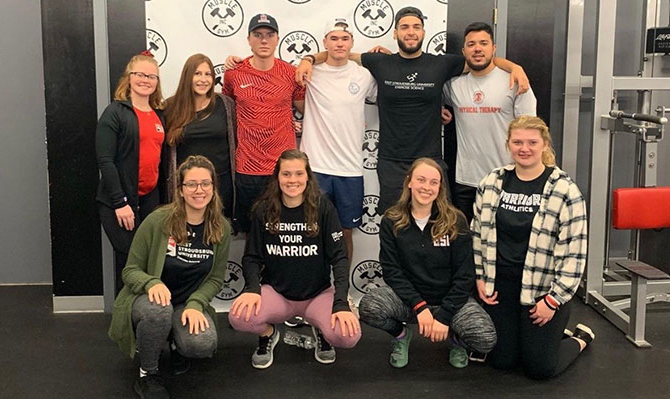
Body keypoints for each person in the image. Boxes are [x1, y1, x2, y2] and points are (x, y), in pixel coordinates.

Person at [295, 6, 530, 213]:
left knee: (437, 227)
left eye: (416, 27)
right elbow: (341, 53)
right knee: (393, 227)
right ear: (395, 33)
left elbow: (480, 59)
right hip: (391, 162)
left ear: (423, 33)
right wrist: (308, 59)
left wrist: (514, 67)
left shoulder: (442, 64)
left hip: (431, 159)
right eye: (405, 27)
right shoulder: (380, 62)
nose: (411, 31)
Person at [472, 115, 593, 380]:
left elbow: (576, 252)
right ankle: (541, 337)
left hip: (542, 291)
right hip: (501, 286)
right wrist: (481, 277)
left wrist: (553, 300)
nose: (524, 148)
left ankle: (580, 338)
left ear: (544, 144)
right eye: (517, 142)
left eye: (531, 142)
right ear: (508, 144)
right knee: (502, 361)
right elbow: (477, 234)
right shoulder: (492, 182)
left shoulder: (565, 190)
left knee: (539, 369)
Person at [108, 155, 231, 399]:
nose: (199, 190)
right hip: (147, 301)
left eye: (206, 183)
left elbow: (216, 279)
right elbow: (130, 270)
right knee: (158, 312)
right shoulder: (158, 221)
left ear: (214, 188)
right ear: (181, 190)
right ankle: (148, 373)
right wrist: (151, 282)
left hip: (185, 303)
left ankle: (176, 341)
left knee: (202, 343)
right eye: (192, 184)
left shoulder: (221, 228)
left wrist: (196, 304)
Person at [228, 149, 360, 369]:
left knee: (349, 336)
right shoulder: (264, 210)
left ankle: (322, 330)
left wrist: (341, 303)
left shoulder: (323, 207)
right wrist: (252, 289)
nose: (293, 180)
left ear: (307, 176)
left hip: (318, 295)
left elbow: (339, 258)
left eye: (299, 174)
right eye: (286, 174)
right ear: (277, 177)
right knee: (238, 317)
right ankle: (268, 335)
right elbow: (251, 257)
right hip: (278, 295)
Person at [359, 158, 496, 369]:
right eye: (421, 180)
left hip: (450, 300)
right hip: (410, 302)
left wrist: (445, 316)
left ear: (440, 187)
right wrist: (419, 306)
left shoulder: (455, 220)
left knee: (485, 338)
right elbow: (392, 272)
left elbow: (465, 275)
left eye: (434, 182)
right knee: (370, 307)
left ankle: (455, 339)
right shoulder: (392, 220)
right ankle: (402, 336)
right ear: (409, 182)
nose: (426, 187)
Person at [299, 17, 377, 262]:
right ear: (325, 42)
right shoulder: (310, 72)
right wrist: (308, 59)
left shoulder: (365, 76)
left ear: (352, 42)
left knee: (345, 233)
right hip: (315, 167)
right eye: (334, 38)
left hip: (350, 170)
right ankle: (312, 291)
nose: (339, 44)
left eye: (345, 38)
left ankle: (341, 293)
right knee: (311, 232)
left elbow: (394, 101)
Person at [443, 22, 537, 224]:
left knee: (504, 244)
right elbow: (423, 92)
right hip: (465, 181)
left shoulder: (516, 82)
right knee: (467, 245)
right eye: (471, 44)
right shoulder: (454, 86)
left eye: (483, 43)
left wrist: (514, 67)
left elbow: (531, 133)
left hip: (507, 178)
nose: (477, 48)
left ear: (493, 48)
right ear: (463, 51)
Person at [223, 13, 305, 234]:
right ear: (249, 39)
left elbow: (309, 111)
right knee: (252, 235)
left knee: (284, 234)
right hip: (247, 169)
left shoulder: (290, 73)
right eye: (258, 35)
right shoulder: (233, 74)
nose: (264, 40)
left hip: (283, 169)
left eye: (270, 35)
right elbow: (226, 109)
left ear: (278, 38)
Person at [96, 51, 166, 295]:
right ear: (129, 77)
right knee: (129, 264)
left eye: (152, 76)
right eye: (140, 74)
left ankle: (146, 320)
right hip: (120, 204)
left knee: (151, 263)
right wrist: (120, 202)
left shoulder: (160, 115)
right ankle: (124, 323)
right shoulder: (115, 113)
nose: (145, 80)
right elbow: (105, 161)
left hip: (149, 201)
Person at [164, 53, 237, 220]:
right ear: (187, 76)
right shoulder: (170, 107)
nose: (203, 79)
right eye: (197, 74)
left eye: (208, 74)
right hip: (186, 188)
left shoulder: (225, 105)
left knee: (219, 236)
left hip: (220, 185)